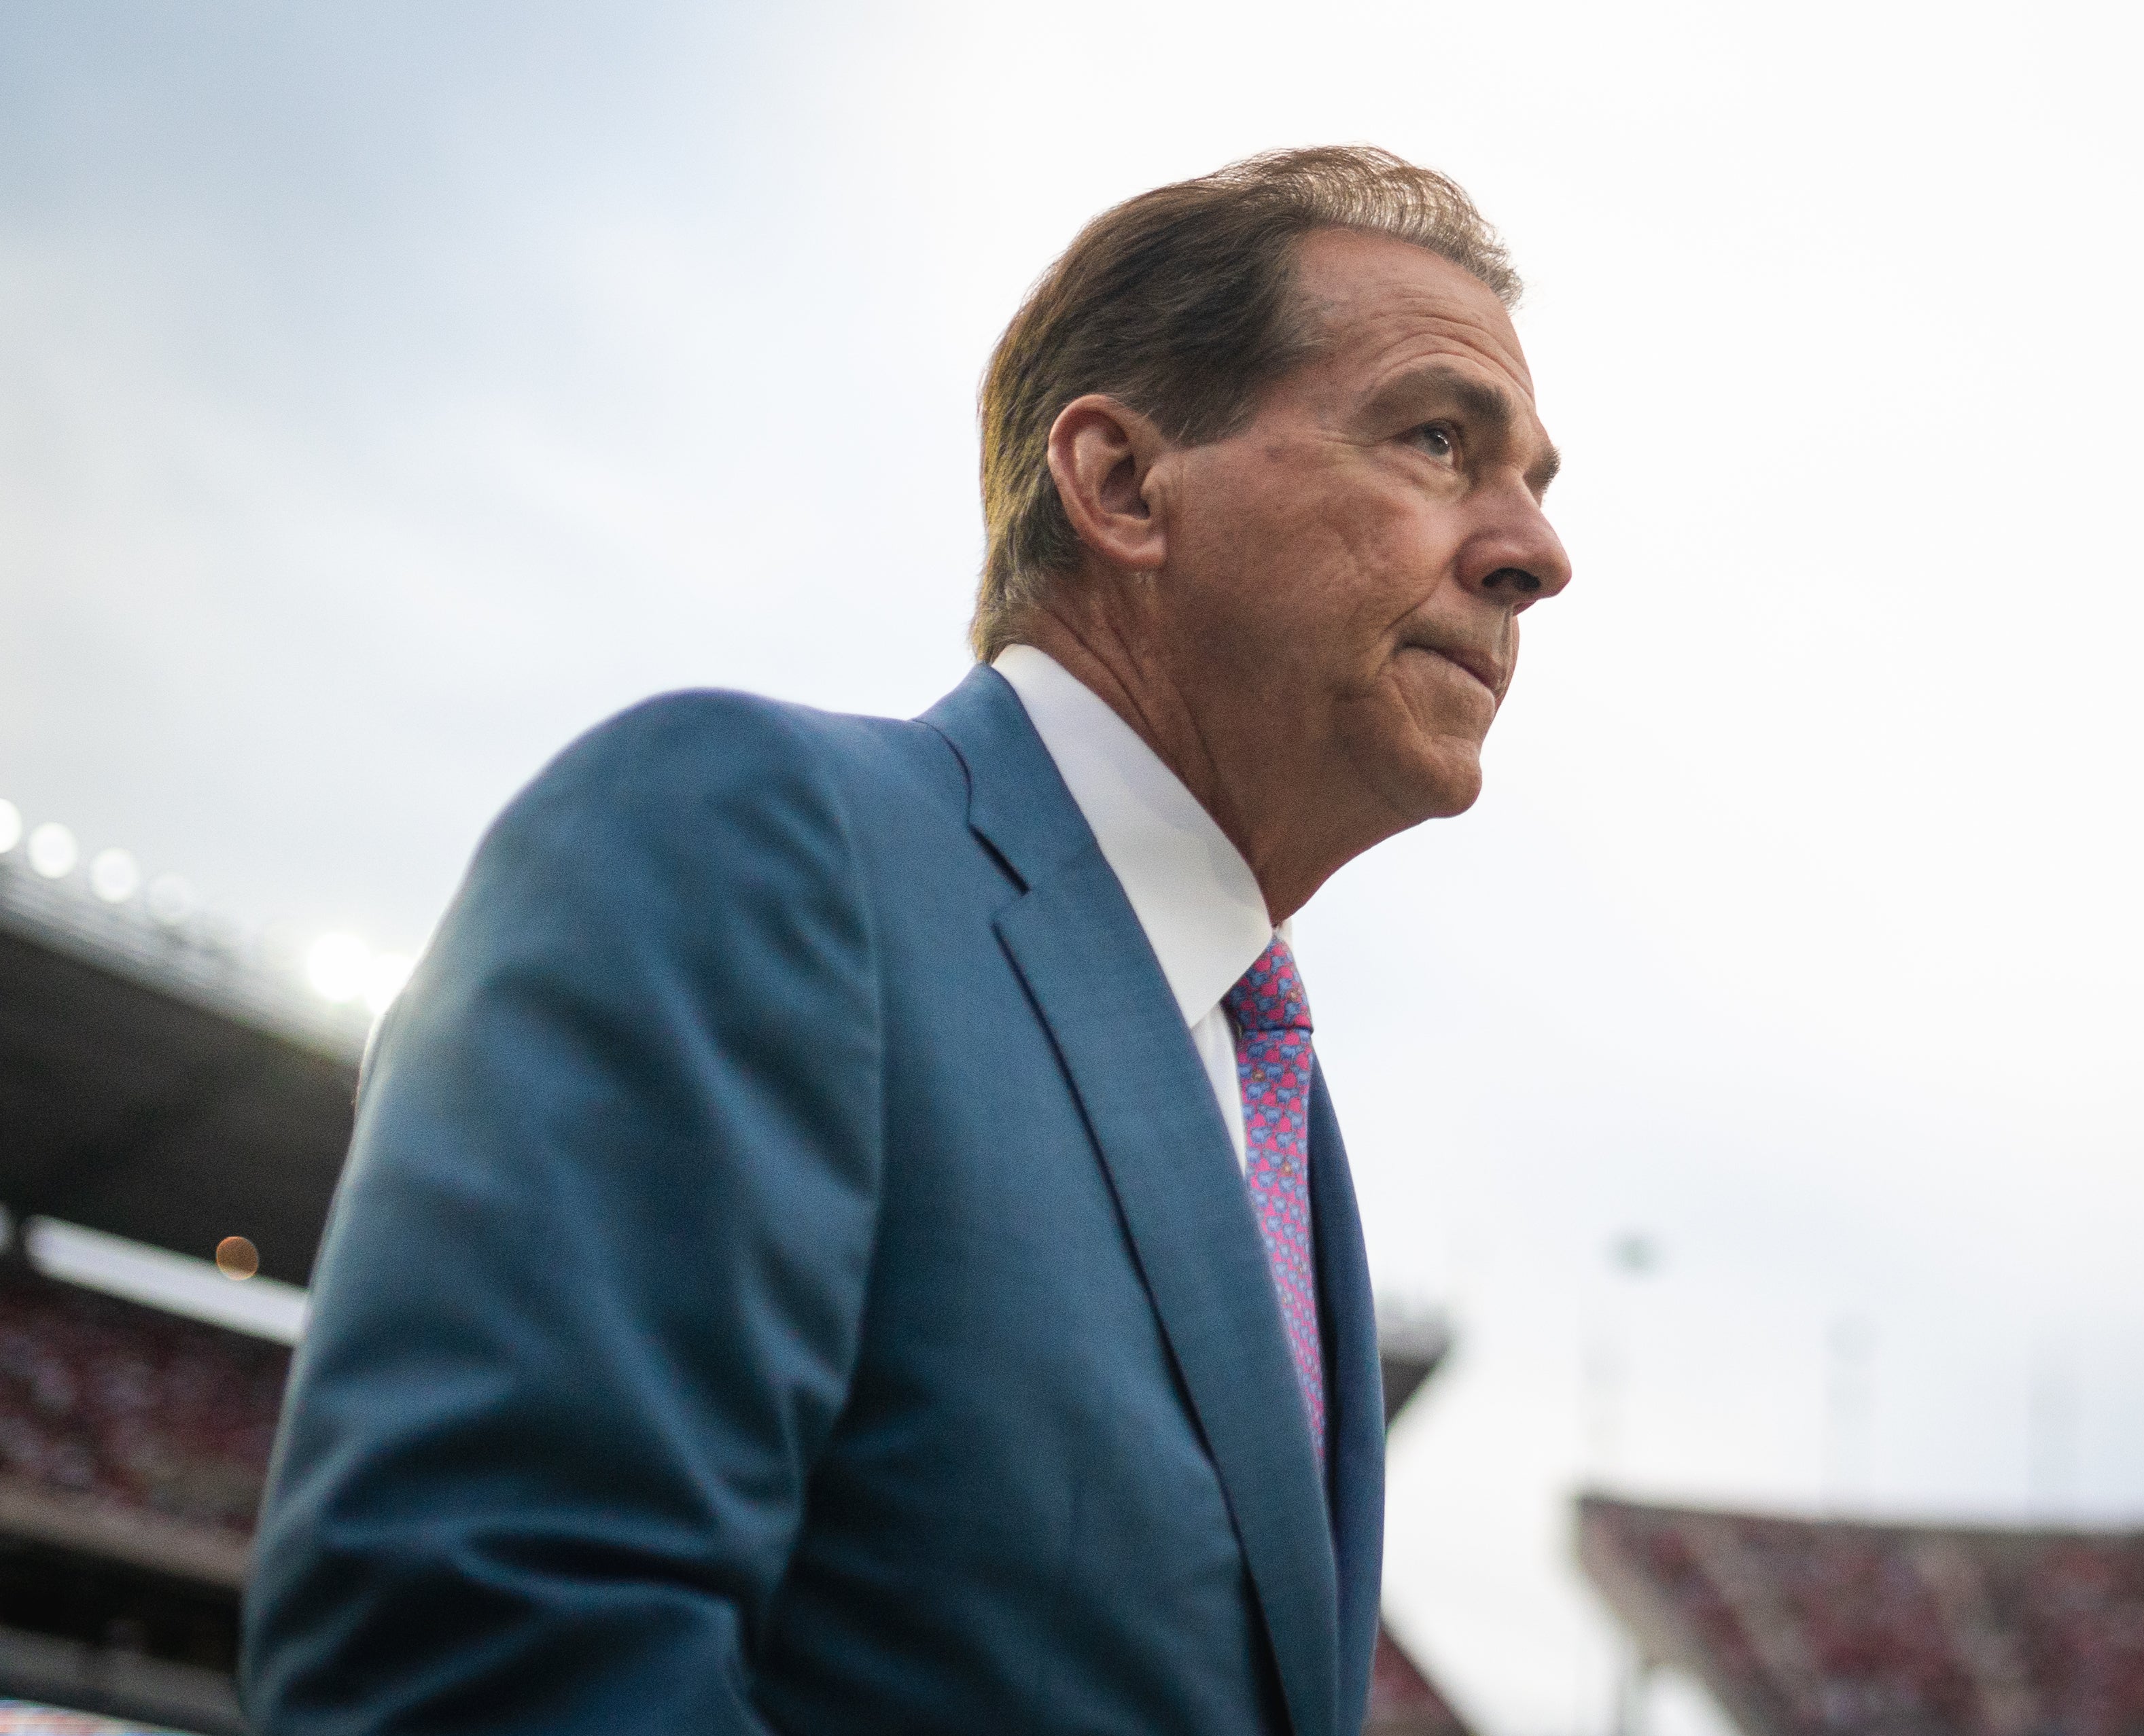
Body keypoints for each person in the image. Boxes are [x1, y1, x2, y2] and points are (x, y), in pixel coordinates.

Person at [241, 145, 1570, 1736]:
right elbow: (479, 1661)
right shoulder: (751, 838)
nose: (1533, 554)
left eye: (1535, 487)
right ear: (1124, 485)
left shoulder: (1267, 1085)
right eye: (1438, 439)